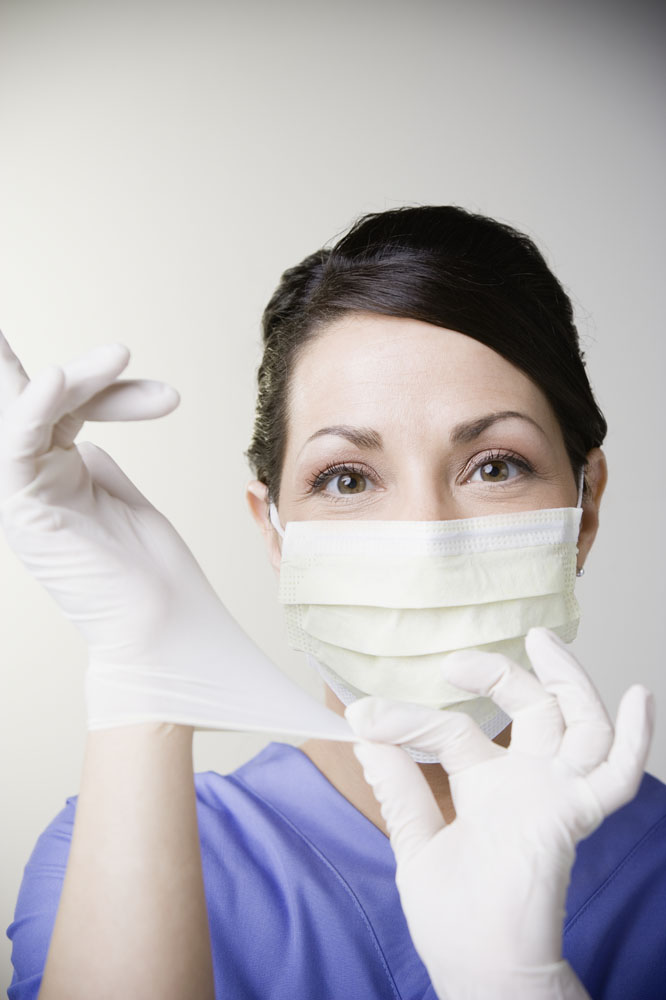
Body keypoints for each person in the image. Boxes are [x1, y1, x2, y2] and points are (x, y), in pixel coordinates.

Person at [3, 206, 665, 1000]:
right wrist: (137, 675)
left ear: (584, 510)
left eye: (494, 467)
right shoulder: (119, 849)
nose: (425, 538)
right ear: (276, 532)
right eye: (347, 479)